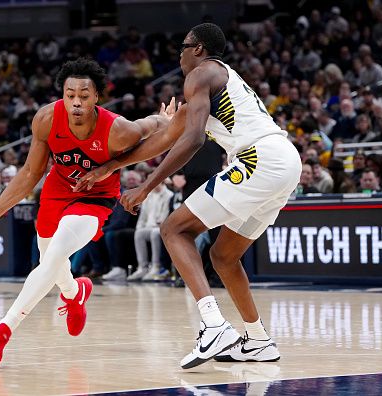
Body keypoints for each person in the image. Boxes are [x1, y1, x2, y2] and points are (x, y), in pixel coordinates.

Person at [75, 23, 301, 369]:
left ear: (198, 48)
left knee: (173, 229)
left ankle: (213, 326)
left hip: (259, 158)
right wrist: (111, 166)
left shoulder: (201, 73)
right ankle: (257, 341)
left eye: (183, 46)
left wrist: (147, 186)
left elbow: (192, 140)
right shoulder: (212, 85)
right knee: (224, 256)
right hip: (283, 161)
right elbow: (163, 139)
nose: (179, 53)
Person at [0, 58, 174, 365]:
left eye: (83, 95)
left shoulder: (117, 129)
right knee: (48, 261)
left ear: (96, 97)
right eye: (70, 95)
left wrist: (164, 121)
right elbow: (29, 173)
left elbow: (149, 129)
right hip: (57, 189)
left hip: (96, 196)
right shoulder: (46, 119)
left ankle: (1, 331)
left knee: (54, 257)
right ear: (62, 95)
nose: (76, 102)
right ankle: (74, 293)